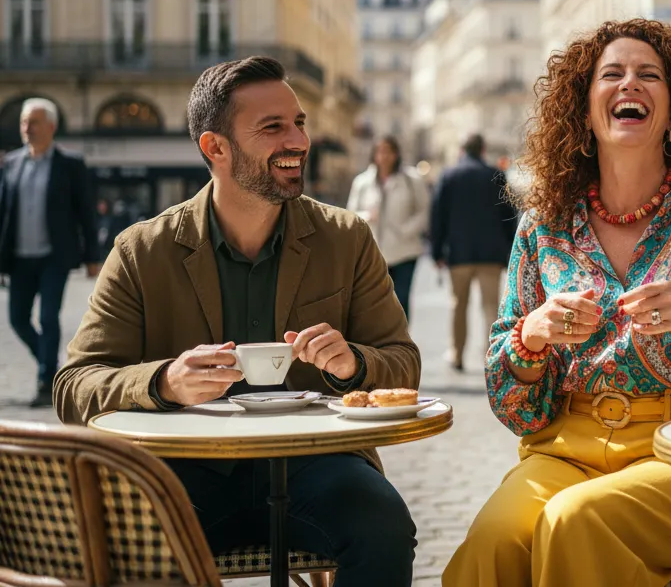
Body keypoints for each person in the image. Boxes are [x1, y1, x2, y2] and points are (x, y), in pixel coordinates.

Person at [442, 19, 671, 587]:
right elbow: (513, 406)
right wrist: (531, 335)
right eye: (612, 74)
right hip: (564, 450)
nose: (630, 84)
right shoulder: (542, 226)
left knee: (574, 522)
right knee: (494, 540)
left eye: (648, 75)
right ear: (583, 111)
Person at [53, 56, 422, 586]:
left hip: (315, 464)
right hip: (185, 468)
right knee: (133, 541)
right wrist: (163, 381)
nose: (297, 140)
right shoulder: (141, 250)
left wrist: (353, 363)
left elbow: (403, 364)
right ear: (215, 147)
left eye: (299, 123)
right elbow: (74, 388)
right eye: (273, 127)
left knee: (381, 523)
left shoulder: (346, 237)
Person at [0, 97, 100, 408]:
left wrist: (93, 255)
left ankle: (46, 381)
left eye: (34, 122)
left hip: (54, 257)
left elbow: (86, 212)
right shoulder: (12, 164)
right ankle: (51, 364)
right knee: (17, 319)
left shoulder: (70, 164)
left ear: (52, 127)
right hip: (18, 258)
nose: (27, 128)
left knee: (48, 317)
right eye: (24, 123)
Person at [430, 133, 516, 372]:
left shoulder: (449, 175)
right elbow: (508, 214)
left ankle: (457, 354)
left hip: (459, 253)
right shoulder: (495, 175)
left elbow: (438, 216)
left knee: (459, 305)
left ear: (462, 150)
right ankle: (491, 356)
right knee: (490, 306)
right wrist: (511, 248)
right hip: (491, 252)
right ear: (483, 149)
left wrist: (437, 250)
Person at [347, 135, 430, 320]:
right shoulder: (362, 182)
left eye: (388, 151)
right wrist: (366, 216)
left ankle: (402, 345)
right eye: (380, 151)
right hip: (373, 253)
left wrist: (406, 230)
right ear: (374, 155)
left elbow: (424, 211)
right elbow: (350, 215)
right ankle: (376, 347)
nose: (384, 156)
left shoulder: (412, 180)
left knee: (400, 302)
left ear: (396, 154)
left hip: (404, 252)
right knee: (372, 303)